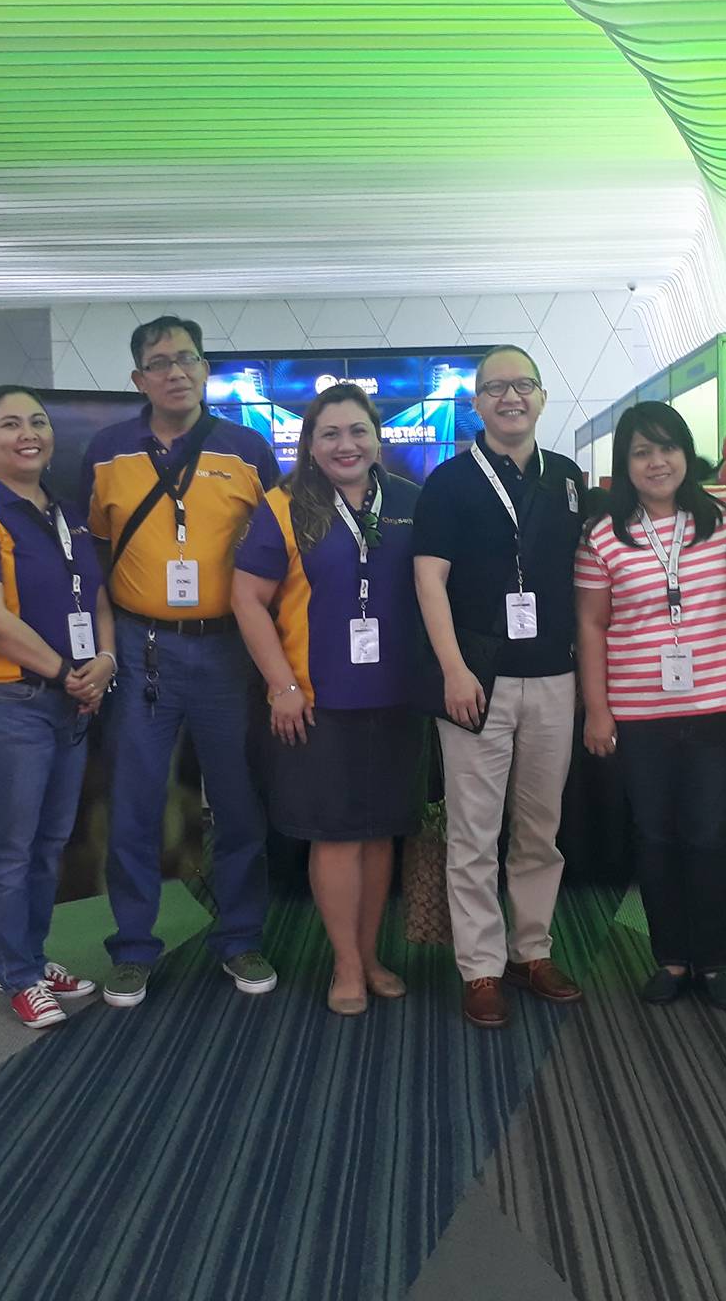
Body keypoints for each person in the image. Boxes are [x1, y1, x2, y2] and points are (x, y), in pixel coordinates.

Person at [78, 317, 281, 1008]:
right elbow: (94, 555)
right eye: (160, 362)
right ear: (139, 379)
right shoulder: (107, 452)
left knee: (238, 804)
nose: (176, 372)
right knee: (134, 805)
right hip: (144, 651)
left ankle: (241, 937)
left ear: (205, 369)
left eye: (187, 358)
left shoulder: (247, 449)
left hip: (229, 649)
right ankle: (134, 948)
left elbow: (277, 552)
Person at [232, 384, 428, 1016]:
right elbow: (246, 599)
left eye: (358, 431)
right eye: (331, 434)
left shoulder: (410, 502)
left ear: (378, 438)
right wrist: (282, 685)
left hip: (399, 698)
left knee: (380, 833)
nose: (347, 445)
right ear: (310, 446)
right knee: (338, 837)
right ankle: (344, 963)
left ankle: (370, 956)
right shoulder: (284, 506)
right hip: (317, 701)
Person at [413, 344, 588, 1028]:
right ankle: (480, 966)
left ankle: (531, 951)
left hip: (553, 675)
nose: (510, 398)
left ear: (541, 397)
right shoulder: (449, 482)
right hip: (475, 679)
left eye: (523, 385)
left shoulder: (567, 477)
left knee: (541, 828)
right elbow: (429, 581)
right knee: (474, 832)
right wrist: (453, 669)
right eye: (495, 388)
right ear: (476, 403)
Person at [0, 385, 117, 1029]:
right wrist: (68, 673)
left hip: (68, 699)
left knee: (48, 846)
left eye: (37, 422)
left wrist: (106, 659)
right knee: (9, 850)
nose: (28, 434)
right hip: (3, 704)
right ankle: (15, 975)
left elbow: (95, 597)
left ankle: (33, 959)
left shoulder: (65, 511)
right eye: (10, 424)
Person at [575, 402, 726, 1008]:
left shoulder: (724, 517)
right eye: (641, 451)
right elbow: (592, 626)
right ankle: (671, 959)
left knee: (712, 834)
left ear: (686, 453)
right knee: (654, 835)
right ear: (625, 462)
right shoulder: (603, 535)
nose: (657, 462)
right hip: (638, 714)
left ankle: (716, 962)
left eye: (667, 447)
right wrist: (597, 710)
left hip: (718, 707)